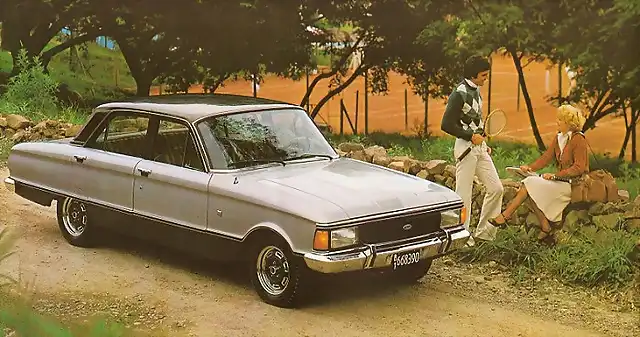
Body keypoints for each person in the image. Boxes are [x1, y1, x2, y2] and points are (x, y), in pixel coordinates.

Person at [488, 104, 589, 243]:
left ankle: (505, 216)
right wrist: (529, 168)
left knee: (529, 184)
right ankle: (544, 227)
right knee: (529, 186)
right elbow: (546, 158)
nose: (557, 122)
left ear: (568, 123)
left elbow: (579, 168)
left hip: (572, 185)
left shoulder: (579, 140)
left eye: (560, 120)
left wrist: (555, 176)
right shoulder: (559, 138)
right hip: (561, 182)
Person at [441, 55, 504, 246]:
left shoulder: (476, 91)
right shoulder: (459, 93)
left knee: (496, 188)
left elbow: (474, 121)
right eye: (484, 75)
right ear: (474, 75)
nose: (486, 78)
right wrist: (470, 137)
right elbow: (446, 125)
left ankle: (485, 234)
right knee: (463, 195)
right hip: (466, 149)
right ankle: (461, 238)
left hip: (479, 148)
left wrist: (482, 141)